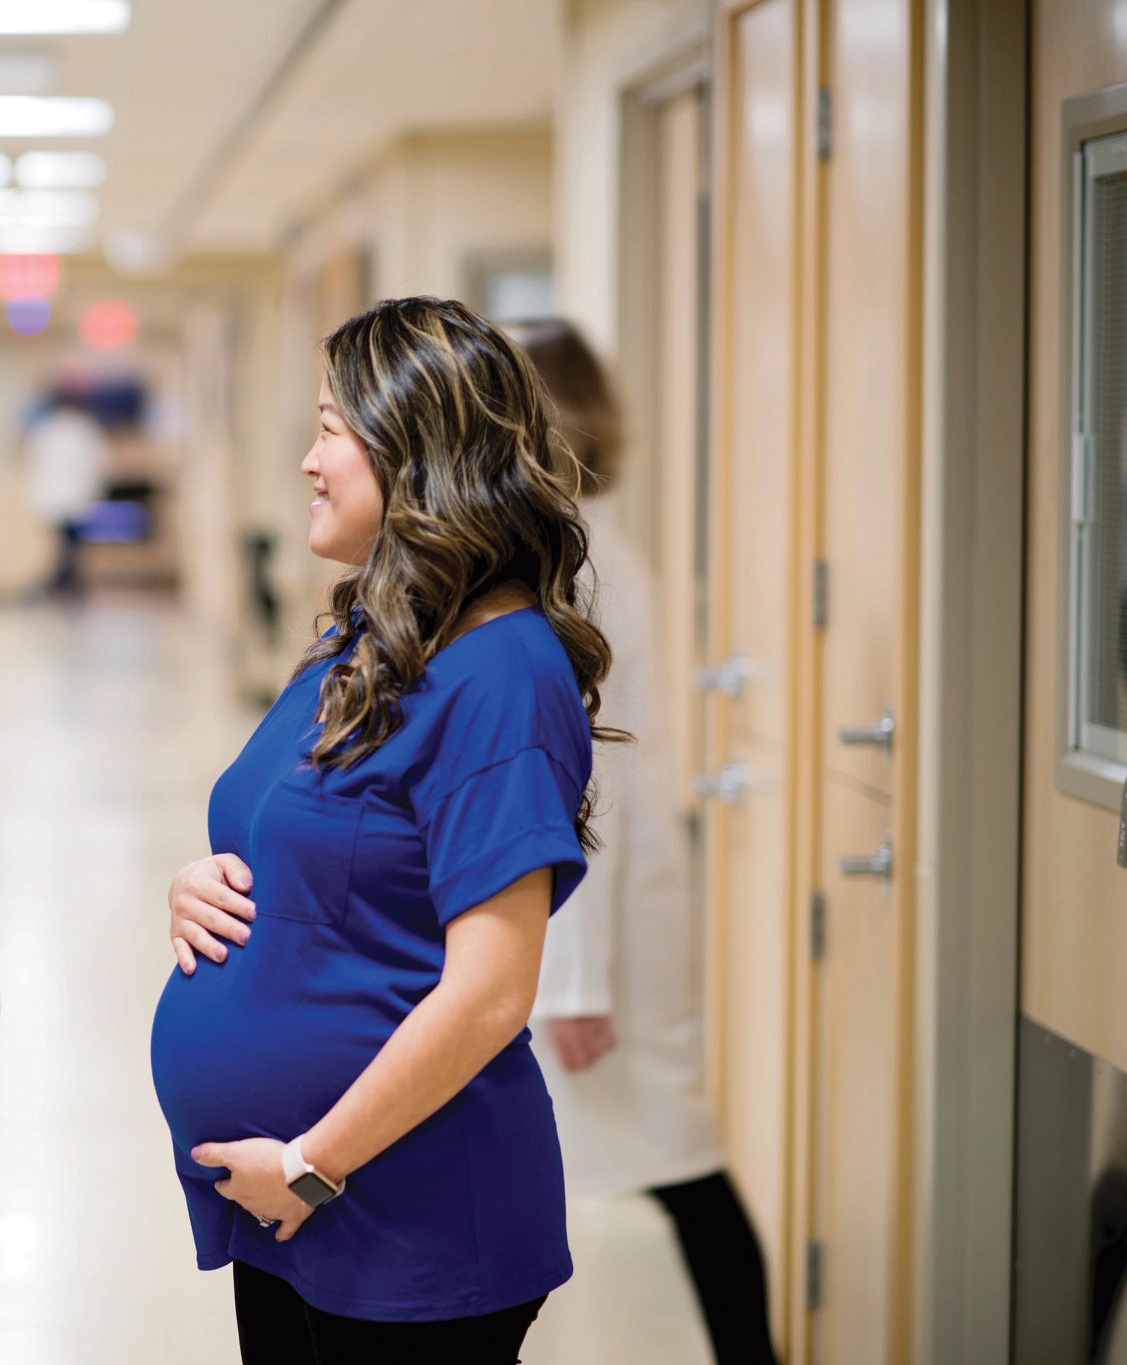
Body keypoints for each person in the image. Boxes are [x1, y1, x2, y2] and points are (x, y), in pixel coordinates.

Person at [152, 295, 617, 1364]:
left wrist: (312, 1164)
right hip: (292, 1204)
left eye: (329, 429)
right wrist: (198, 886)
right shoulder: (372, 634)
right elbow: (302, 837)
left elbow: (490, 991)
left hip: (404, 1216)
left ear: (417, 452)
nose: (307, 462)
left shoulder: (501, 672)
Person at [510, 317, 777, 1365]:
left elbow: (592, 773)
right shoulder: (579, 546)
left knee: (671, 1155)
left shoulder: (573, 564)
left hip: (603, 919)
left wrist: (576, 979)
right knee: (660, 1153)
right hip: (612, 903)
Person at [23, 388, 108, 596]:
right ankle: (61, 583)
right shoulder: (83, 430)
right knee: (69, 544)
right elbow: (99, 463)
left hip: (56, 497)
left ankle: (63, 582)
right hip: (72, 497)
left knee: (66, 543)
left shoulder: (46, 430)